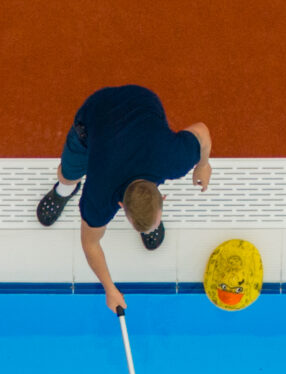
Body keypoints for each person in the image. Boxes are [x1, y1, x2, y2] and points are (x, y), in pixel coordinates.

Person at [36, 85, 212, 313]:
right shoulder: (99, 195)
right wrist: (109, 289)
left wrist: (203, 164)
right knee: (68, 174)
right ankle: (64, 190)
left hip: (143, 101)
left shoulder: (173, 160)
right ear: (119, 205)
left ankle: (147, 222)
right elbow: (90, 244)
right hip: (94, 115)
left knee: (152, 142)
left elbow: (202, 132)